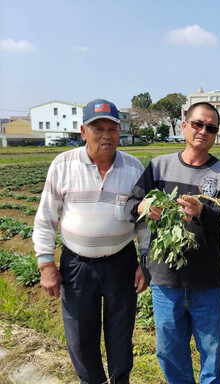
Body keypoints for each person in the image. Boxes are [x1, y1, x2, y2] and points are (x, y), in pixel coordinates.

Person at [32, 98, 151, 384]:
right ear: (84, 131)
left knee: (121, 334)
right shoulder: (63, 164)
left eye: (112, 128)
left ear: (119, 132)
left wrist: (145, 262)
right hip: (76, 265)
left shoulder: (135, 168)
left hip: (121, 262)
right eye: (98, 128)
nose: (106, 134)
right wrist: (46, 264)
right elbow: (46, 217)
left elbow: (145, 222)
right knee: (81, 338)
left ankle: (120, 380)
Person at [124, 102, 220, 384]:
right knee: (170, 351)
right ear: (184, 126)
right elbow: (131, 206)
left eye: (211, 127)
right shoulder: (159, 166)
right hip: (165, 279)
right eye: (198, 124)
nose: (203, 131)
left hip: (207, 280)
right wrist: (145, 206)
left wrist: (200, 211)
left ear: (215, 134)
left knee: (211, 351)